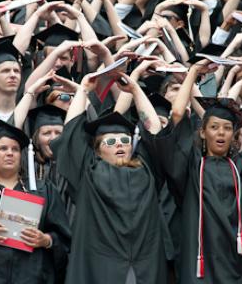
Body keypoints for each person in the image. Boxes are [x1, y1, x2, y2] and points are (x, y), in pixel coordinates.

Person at [149, 58, 242, 284]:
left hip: (241, 260)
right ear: (203, 132)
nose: (221, 133)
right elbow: (177, 116)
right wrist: (194, 70)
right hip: (202, 258)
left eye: (227, 128)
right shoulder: (192, 165)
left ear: (235, 134)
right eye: (214, 127)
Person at [50, 71, 168, 284]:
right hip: (100, 265)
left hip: (144, 262)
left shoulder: (147, 168)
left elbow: (154, 131)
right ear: (97, 150)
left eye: (124, 140)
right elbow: (71, 132)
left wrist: (135, 90)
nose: (120, 144)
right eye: (111, 142)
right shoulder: (88, 170)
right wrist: (84, 89)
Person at [0, 118, 71, 284]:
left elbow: (63, 237)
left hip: (32, 275)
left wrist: (46, 240)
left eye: (15, 149)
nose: (10, 153)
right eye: (3, 148)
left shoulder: (43, 190)